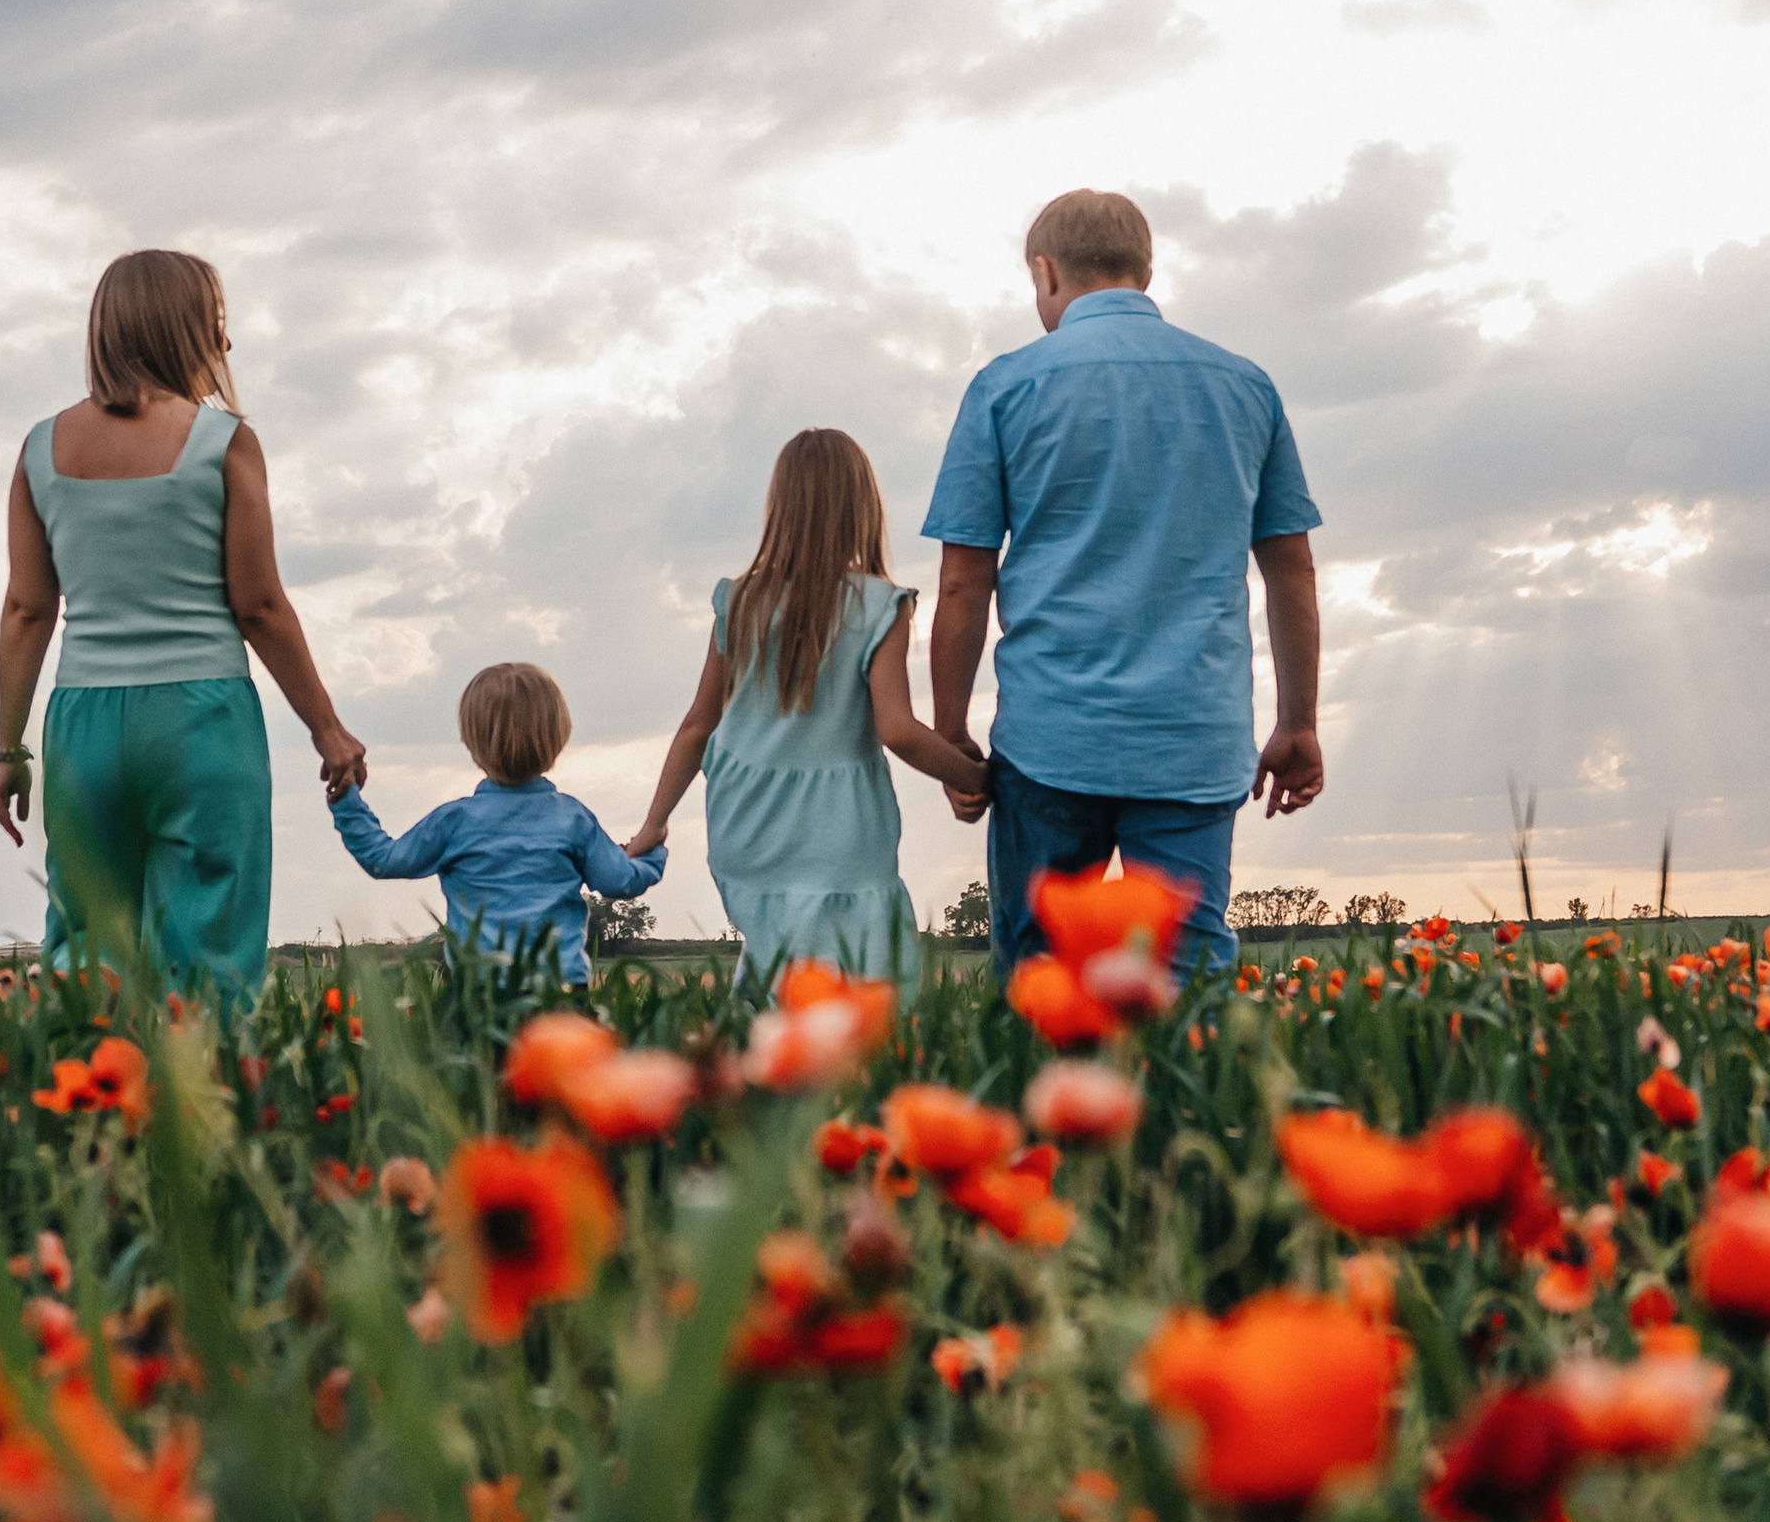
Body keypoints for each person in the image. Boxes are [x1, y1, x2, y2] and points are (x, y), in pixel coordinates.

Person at [922, 190, 1323, 980]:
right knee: (1189, 983)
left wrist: (949, 730)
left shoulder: (1004, 387)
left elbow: (965, 582)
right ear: (1146, 271)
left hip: (1049, 738)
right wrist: (1298, 721)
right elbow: (1291, 571)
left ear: (1045, 273)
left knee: (1041, 982)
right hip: (1194, 738)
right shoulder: (1246, 386)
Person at [0, 248, 365, 992]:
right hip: (203, 719)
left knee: (90, 952)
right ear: (181, 330)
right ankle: (206, 1100)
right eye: (216, 325)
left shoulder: (39, 449)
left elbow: (28, 610)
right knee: (211, 949)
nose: (226, 345)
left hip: (81, 723)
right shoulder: (223, 443)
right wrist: (327, 727)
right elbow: (258, 606)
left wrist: (9, 749)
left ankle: (91, 1100)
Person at [623, 428, 990, 986]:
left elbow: (699, 726)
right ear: (862, 506)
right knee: (865, 971)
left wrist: (655, 821)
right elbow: (897, 729)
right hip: (837, 824)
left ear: (781, 508)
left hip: (747, 816)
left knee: (779, 954)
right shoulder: (879, 604)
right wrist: (978, 776)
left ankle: (766, 1051)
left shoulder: (740, 601)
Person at [329, 663, 660, 986]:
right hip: (558, 990)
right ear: (558, 738)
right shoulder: (573, 820)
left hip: (477, 992)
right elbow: (620, 881)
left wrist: (348, 804)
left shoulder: (454, 822)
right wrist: (652, 852)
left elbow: (383, 860)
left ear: (471, 742)